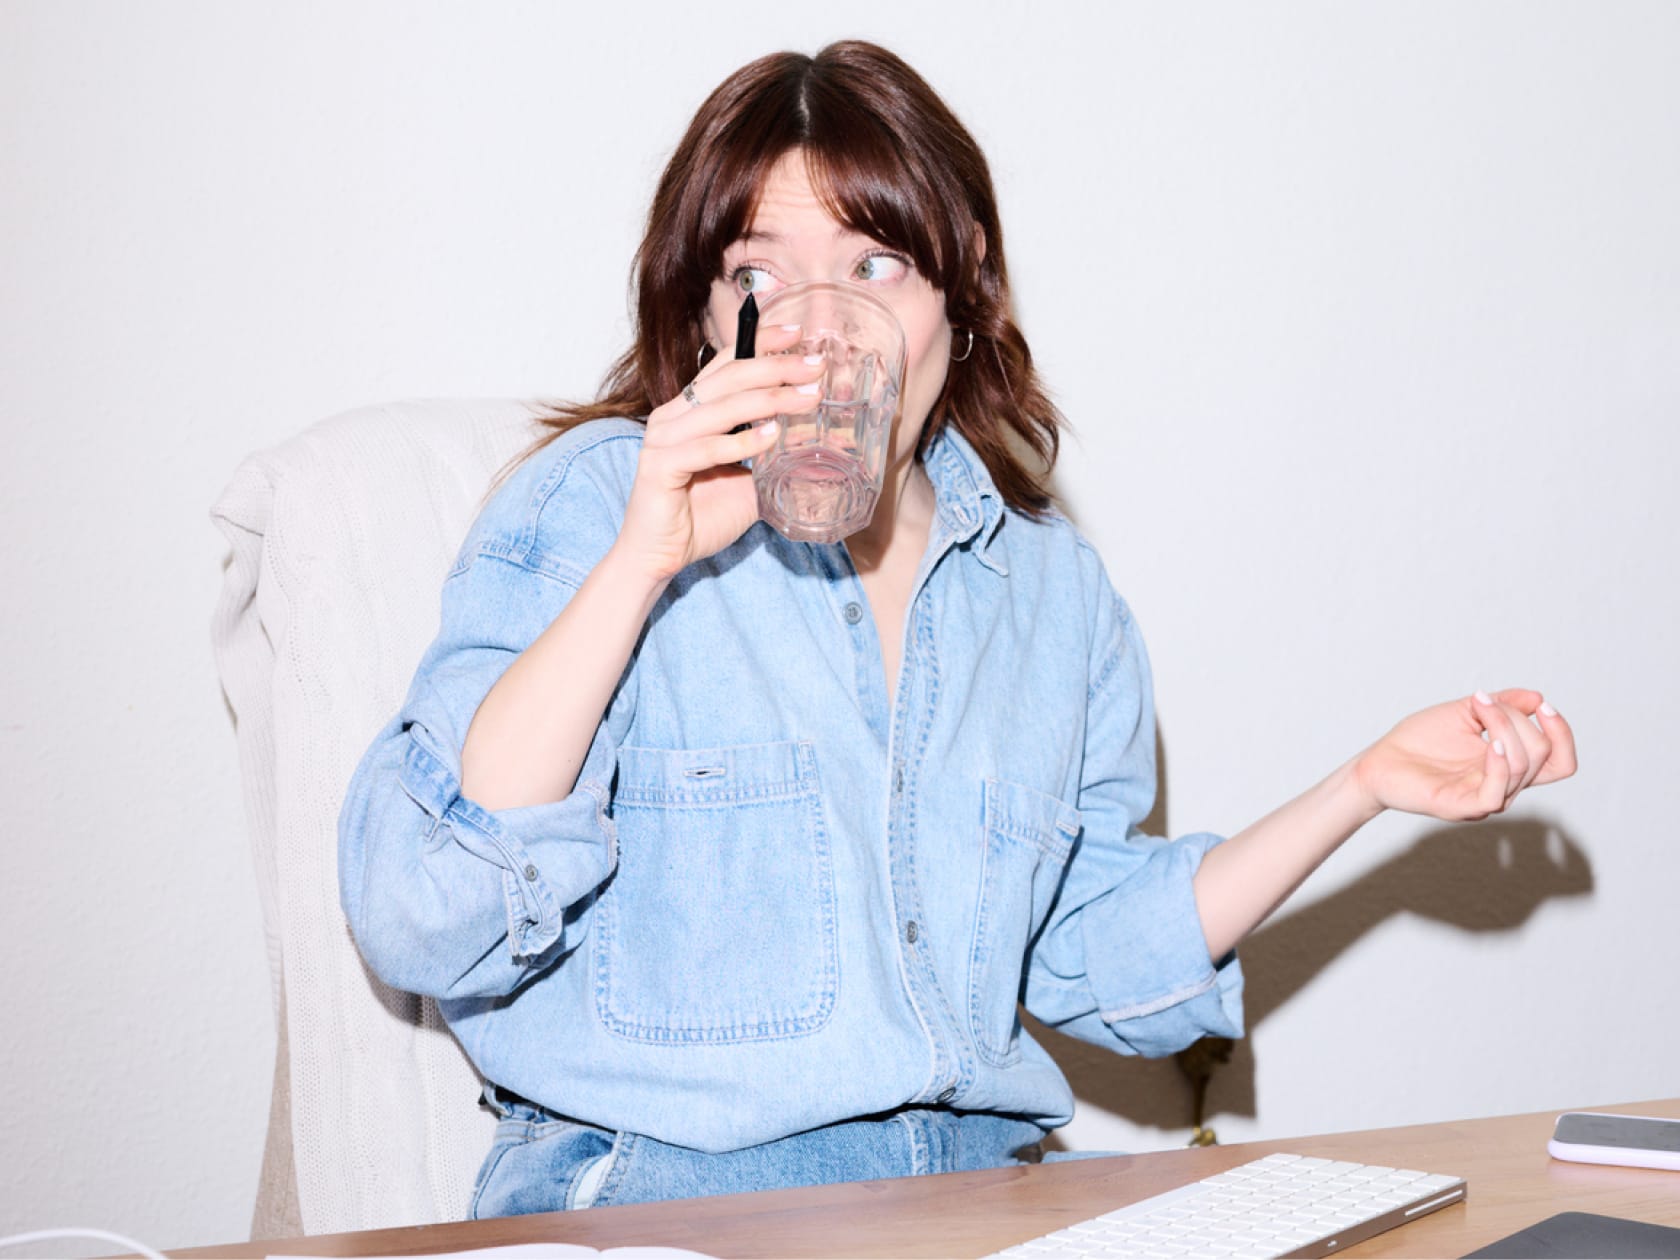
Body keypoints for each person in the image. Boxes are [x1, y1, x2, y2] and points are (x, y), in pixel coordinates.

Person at [338, 40, 1576, 1218]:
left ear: (958, 284)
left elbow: (1086, 948)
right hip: (678, 1204)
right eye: (760, 277)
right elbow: (423, 909)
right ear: (711, 319)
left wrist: (1364, 786)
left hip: (987, 1195)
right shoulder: (602, 503)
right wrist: (642, 563)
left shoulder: (1049, 590)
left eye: (873, 264)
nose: (822, 325)